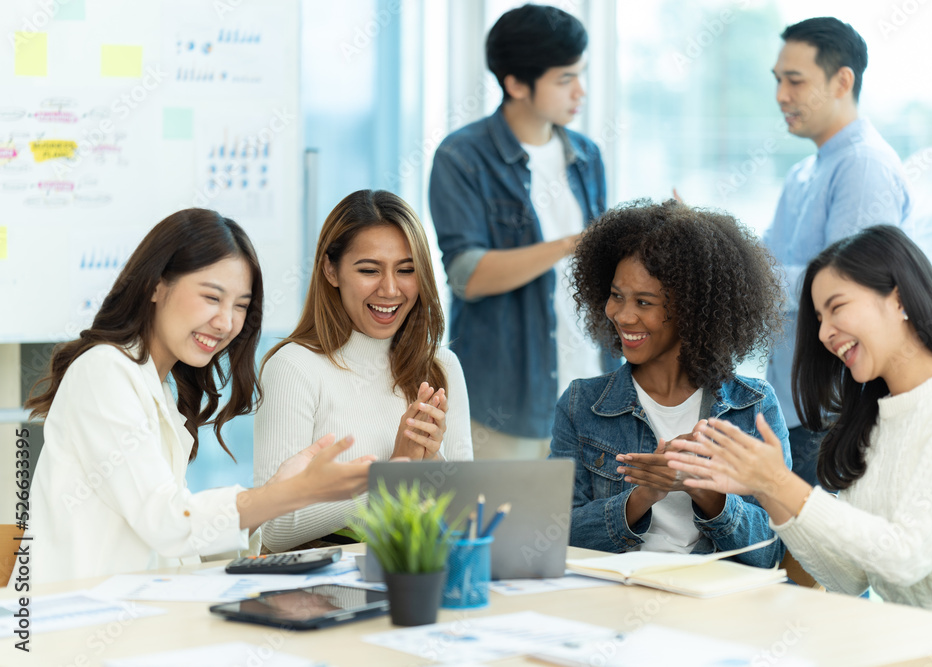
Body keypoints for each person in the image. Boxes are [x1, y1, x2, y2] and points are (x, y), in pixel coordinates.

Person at [666, 225, 932, 622]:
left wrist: (780, 483)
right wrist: (767, 492)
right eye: (819, 318)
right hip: (909, 644)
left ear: (899, 298)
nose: (824, 333)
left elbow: (906, 558)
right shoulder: (874, 418)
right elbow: (848, 577)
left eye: (837, 307)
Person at [24, 209, 373, 585]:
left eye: (240, 306)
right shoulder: (104, 371)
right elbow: (167, 522)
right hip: (73, 624)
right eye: (212, 297)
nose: (226, 323)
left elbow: (177, 540)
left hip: (134, 614)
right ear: (156, 285)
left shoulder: (157, 387)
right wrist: (291, 493)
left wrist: (275, 493)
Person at [549, 200, 789, 566]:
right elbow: (553, 536)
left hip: (716, 605)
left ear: (691, 310)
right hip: (614, 596)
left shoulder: (753, 406)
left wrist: (704, 488)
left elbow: (772, 551)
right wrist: (643, 496)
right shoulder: (582, 404)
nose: (623, 315)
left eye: (644, 302)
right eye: (616, 296)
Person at [429, 4, 608, 460]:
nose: (580, 91)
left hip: (592, 385)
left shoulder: (586, 155)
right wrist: (571, 244)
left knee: (587, 529)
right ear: (515, 84)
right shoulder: (463, 156)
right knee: (505, 528)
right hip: (506, 397)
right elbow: (468, 275)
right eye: (565, 78)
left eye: (581, 75)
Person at [255, 189, 473, 552]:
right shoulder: (293, 367)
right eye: (369, 270)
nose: (390, 289)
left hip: (419, 572)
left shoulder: (441, 366)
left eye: (406, 270)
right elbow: (274, 529)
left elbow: (467, 517)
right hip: (320, 591)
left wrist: (430, 460)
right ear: (331, 270)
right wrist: (391, 477)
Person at [765, 17, 911, 487]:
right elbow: (764, 263)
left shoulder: (863, 166)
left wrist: (740, 273)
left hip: (833, 409)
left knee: (826, 556)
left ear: (842, 81)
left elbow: (850, 288)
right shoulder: (805, 173)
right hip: (793, 405)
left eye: (795, 80)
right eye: (778, 81)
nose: (781, 95)